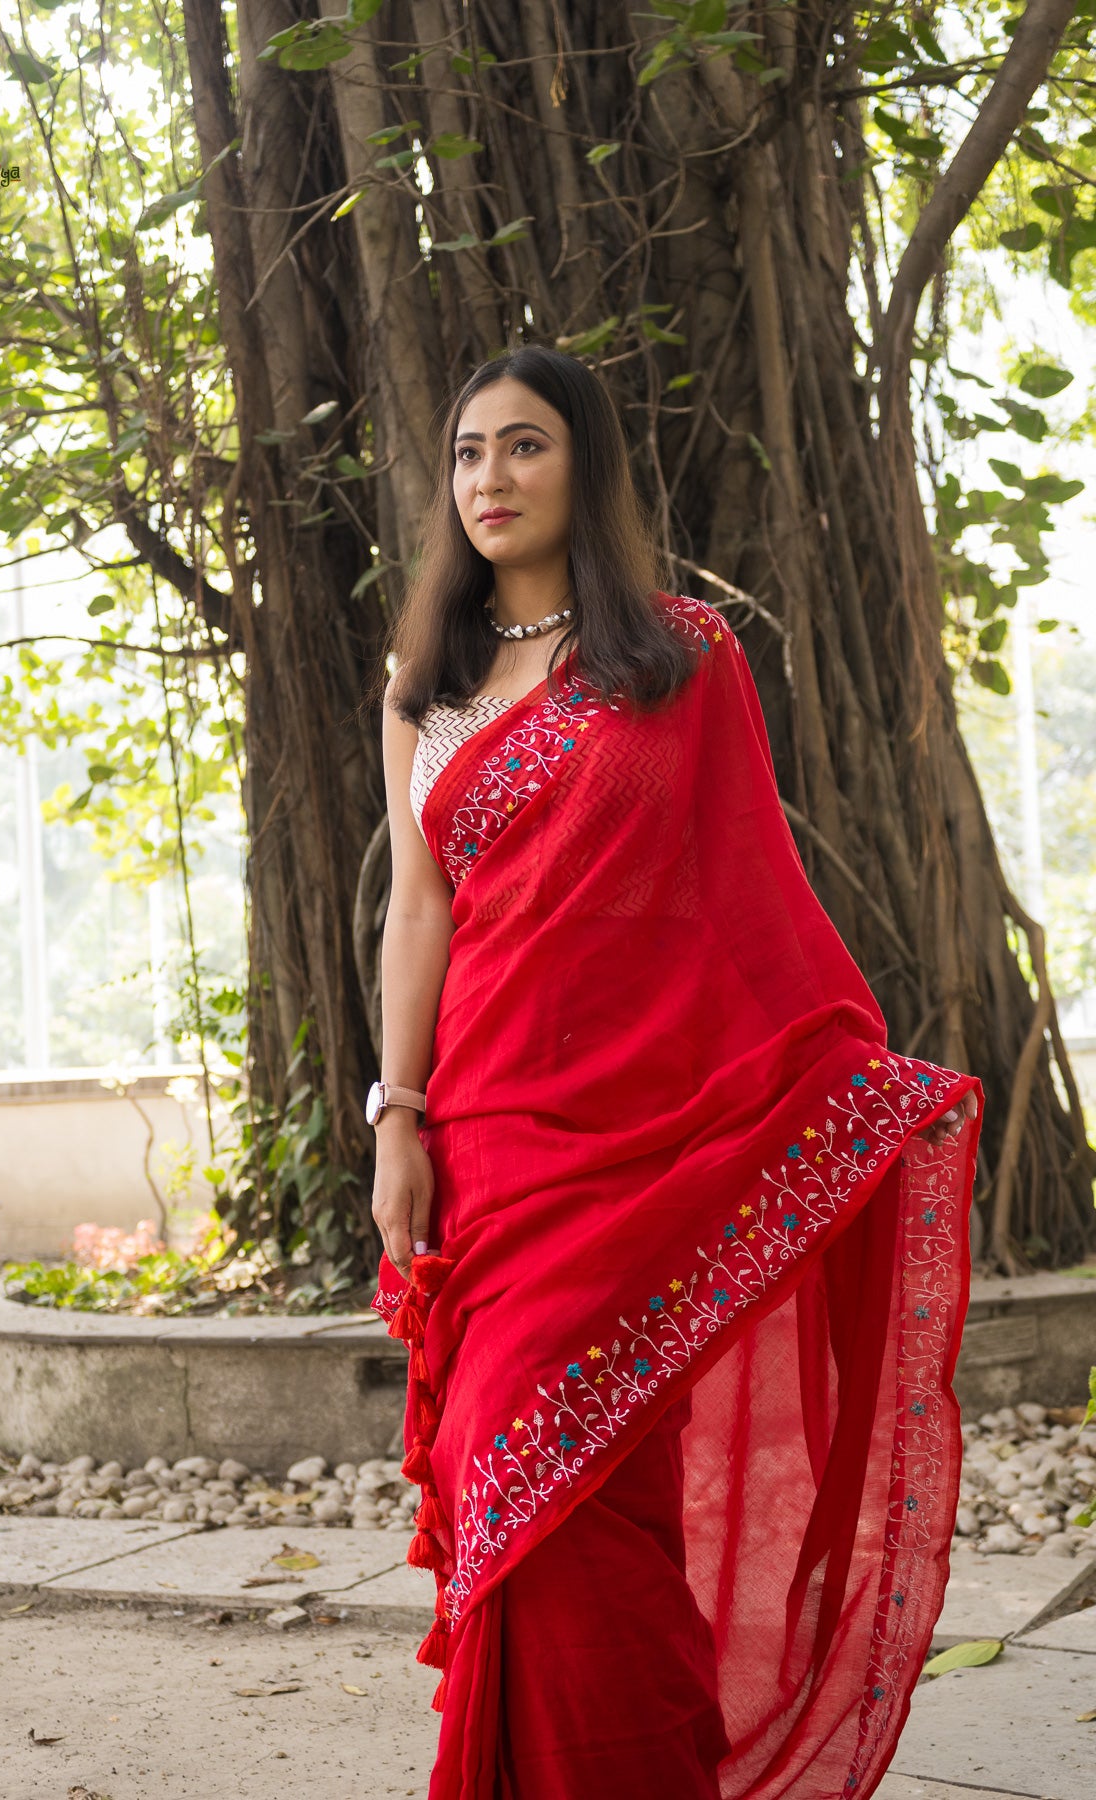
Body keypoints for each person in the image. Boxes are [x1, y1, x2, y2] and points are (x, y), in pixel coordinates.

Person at [366, 343, 982, 1800]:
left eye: (523, 447)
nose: (490, 479)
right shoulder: (424, 688)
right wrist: (398, 1113)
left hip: (640, 1135)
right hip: (488, 1131)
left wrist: (838, 1089)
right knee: (525, 1466)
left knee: (602, 1490)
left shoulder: (679, 660)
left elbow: (743, 902)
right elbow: (418, 909)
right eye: (467, 454)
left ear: (584, 465)